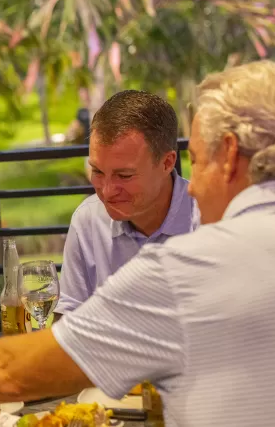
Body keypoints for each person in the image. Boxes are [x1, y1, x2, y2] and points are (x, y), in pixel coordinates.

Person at [0, 60, 275, 426]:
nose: (193, 186)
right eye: (97, 172)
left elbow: (9, 375)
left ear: (229, 154)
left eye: (196, 160)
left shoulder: (184, 267)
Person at [57, 90, 198, 317]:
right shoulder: (88, 220)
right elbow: (67, 316)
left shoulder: (210, 220)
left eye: (124, 176)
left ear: (167, 163)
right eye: (97, 171)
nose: (107, 191)